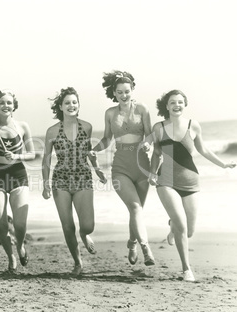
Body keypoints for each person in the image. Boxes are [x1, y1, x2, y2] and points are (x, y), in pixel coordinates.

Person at [148, 89, 235, 282]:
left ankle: (172, 227)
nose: (176, 105)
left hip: (190, 180)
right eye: (172, 102)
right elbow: (156, 153)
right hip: (166, 180)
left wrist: (223, 164)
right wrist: (153, 173)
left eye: (180, 102)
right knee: (182, 225)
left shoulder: (193, 125)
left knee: (190, 230)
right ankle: (186, 269)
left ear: (185, 104)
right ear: (166, 106)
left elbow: (203, 150)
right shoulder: (159, 127)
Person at [91, 70, 155, 266]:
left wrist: (148, 143)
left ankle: (132, 243)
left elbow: (151, 134)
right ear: (114, 93)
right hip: (120, 167)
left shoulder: (142, 109)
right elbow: (107, 139)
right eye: (119, 92)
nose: (124, 95)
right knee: (135, 207)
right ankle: (146, 248)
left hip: (142, 165)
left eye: (127, 91)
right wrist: (94, 151)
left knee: (136, 210)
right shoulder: (110, 113)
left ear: (132, 90)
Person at [42, 87, 106, 275]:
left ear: (79, 105)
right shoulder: (52, 131)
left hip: (83, 177)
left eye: (74, 102)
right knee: (67, 225)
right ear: (60, 107)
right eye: (67, 103)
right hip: (60, 180)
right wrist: (45, 184)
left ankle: (84, 235)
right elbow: (46, 159)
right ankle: (78, 262)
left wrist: (98, 170)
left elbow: (89, 153)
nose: (71, 105)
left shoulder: (86, 127)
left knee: (88, 225)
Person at [0, 89, 36, 272]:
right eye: (1, 103)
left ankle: (20, 245)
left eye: (8, 102)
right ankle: (10, 257)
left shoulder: (22, 126)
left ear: (14, 105)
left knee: (20, 223)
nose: (5, 106)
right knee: (0, 224)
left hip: (18, 174)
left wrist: (16, 155)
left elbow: (31, 154)